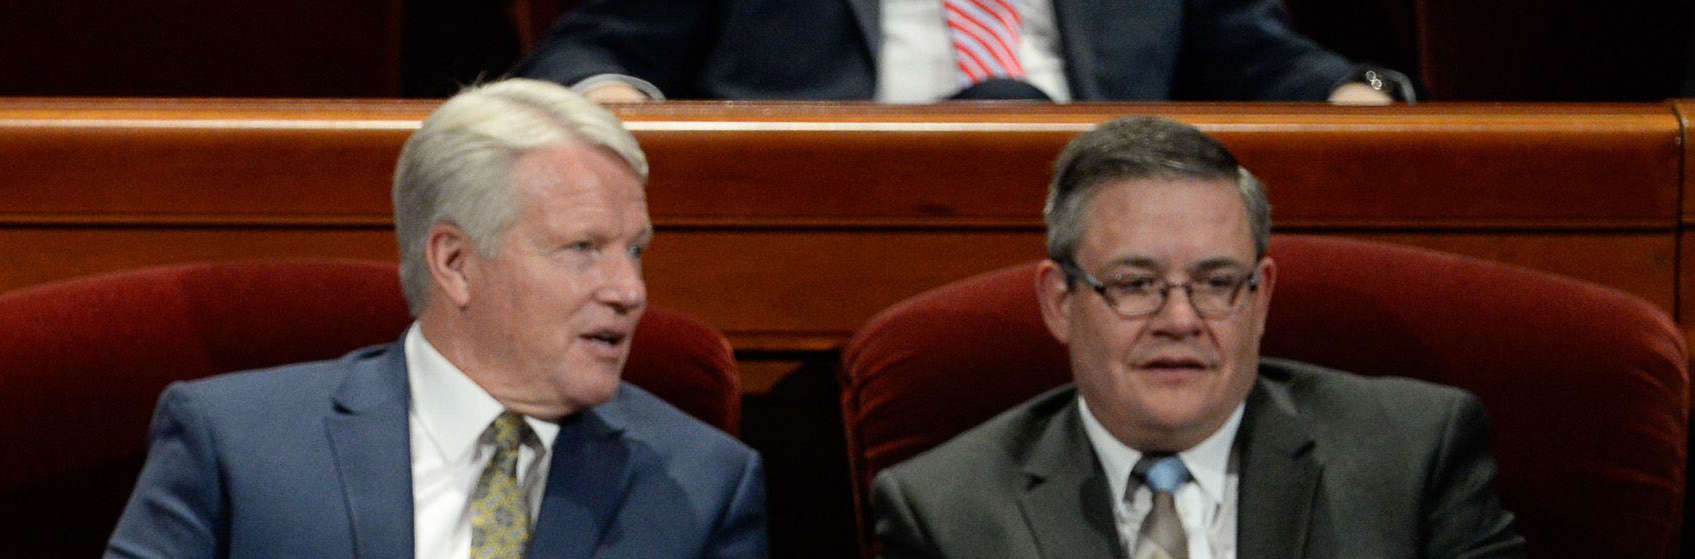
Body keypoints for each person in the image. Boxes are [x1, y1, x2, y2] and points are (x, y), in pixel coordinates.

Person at [58, 79, 771, 559]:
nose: (628, 290)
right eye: (584, 249)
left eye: (636, 251)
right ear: (455, 263)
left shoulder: (703, 484)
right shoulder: (233, 440)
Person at [854, 116, 1560, 559]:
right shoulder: (949, 504)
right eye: (1135, 284)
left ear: (1262, 297)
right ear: (1060, 301)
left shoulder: (1409, 449)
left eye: (1217, 282)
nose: (1181, 318)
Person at [517, 0, 1408, 105]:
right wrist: (607, 100)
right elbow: (595, 47)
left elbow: (1249, 52)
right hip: (843, 213)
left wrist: (1350, 95)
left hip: (1120, 209)